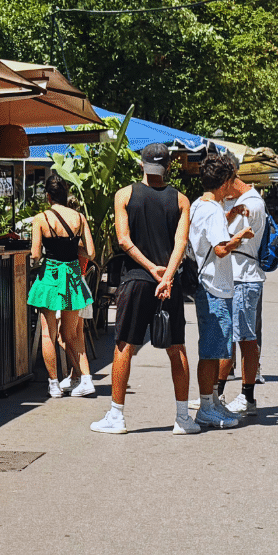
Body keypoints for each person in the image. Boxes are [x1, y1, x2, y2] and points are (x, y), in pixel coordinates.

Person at [91, 143, 194, 435]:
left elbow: (124, 240)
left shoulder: (125, 195)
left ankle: (116, 416)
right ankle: (183, 418)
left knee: (124, 344)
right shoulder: (181, 200)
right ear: (169, 168)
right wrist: (166, 277)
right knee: (177, 347)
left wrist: (150, 269)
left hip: (136, 279)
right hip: (168, 285)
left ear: (141, 165)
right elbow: (181, 244)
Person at [186, 153, 255, 429]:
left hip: (207, 284)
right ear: (225, 182)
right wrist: (240, 236)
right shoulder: (213, 210)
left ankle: (212, 401)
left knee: (215, 347)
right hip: (216, 286)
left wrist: (231, 214)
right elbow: (220, 249)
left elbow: (208, 235)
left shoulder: (199, 205)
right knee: (213, 350)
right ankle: (206, 406)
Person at [26, 173, 96, 399]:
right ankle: (85, 379)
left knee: (48, 333)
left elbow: (36, 254)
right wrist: (72, 250)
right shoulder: (79, 218)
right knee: (71, 333)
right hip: (73, 276)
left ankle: (54, 384)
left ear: (47, 196)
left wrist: (35, 259)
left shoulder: (40, 219)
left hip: (50, 276)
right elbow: (91, 252)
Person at [216, 163, 269, 418]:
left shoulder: (251, 204)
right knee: (232, 336)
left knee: (245, 338)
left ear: (229, 181)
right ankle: (217, 394)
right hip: (237, 276)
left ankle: (247, 396)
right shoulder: (241, 202)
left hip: (244, 278)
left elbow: (223, 241)